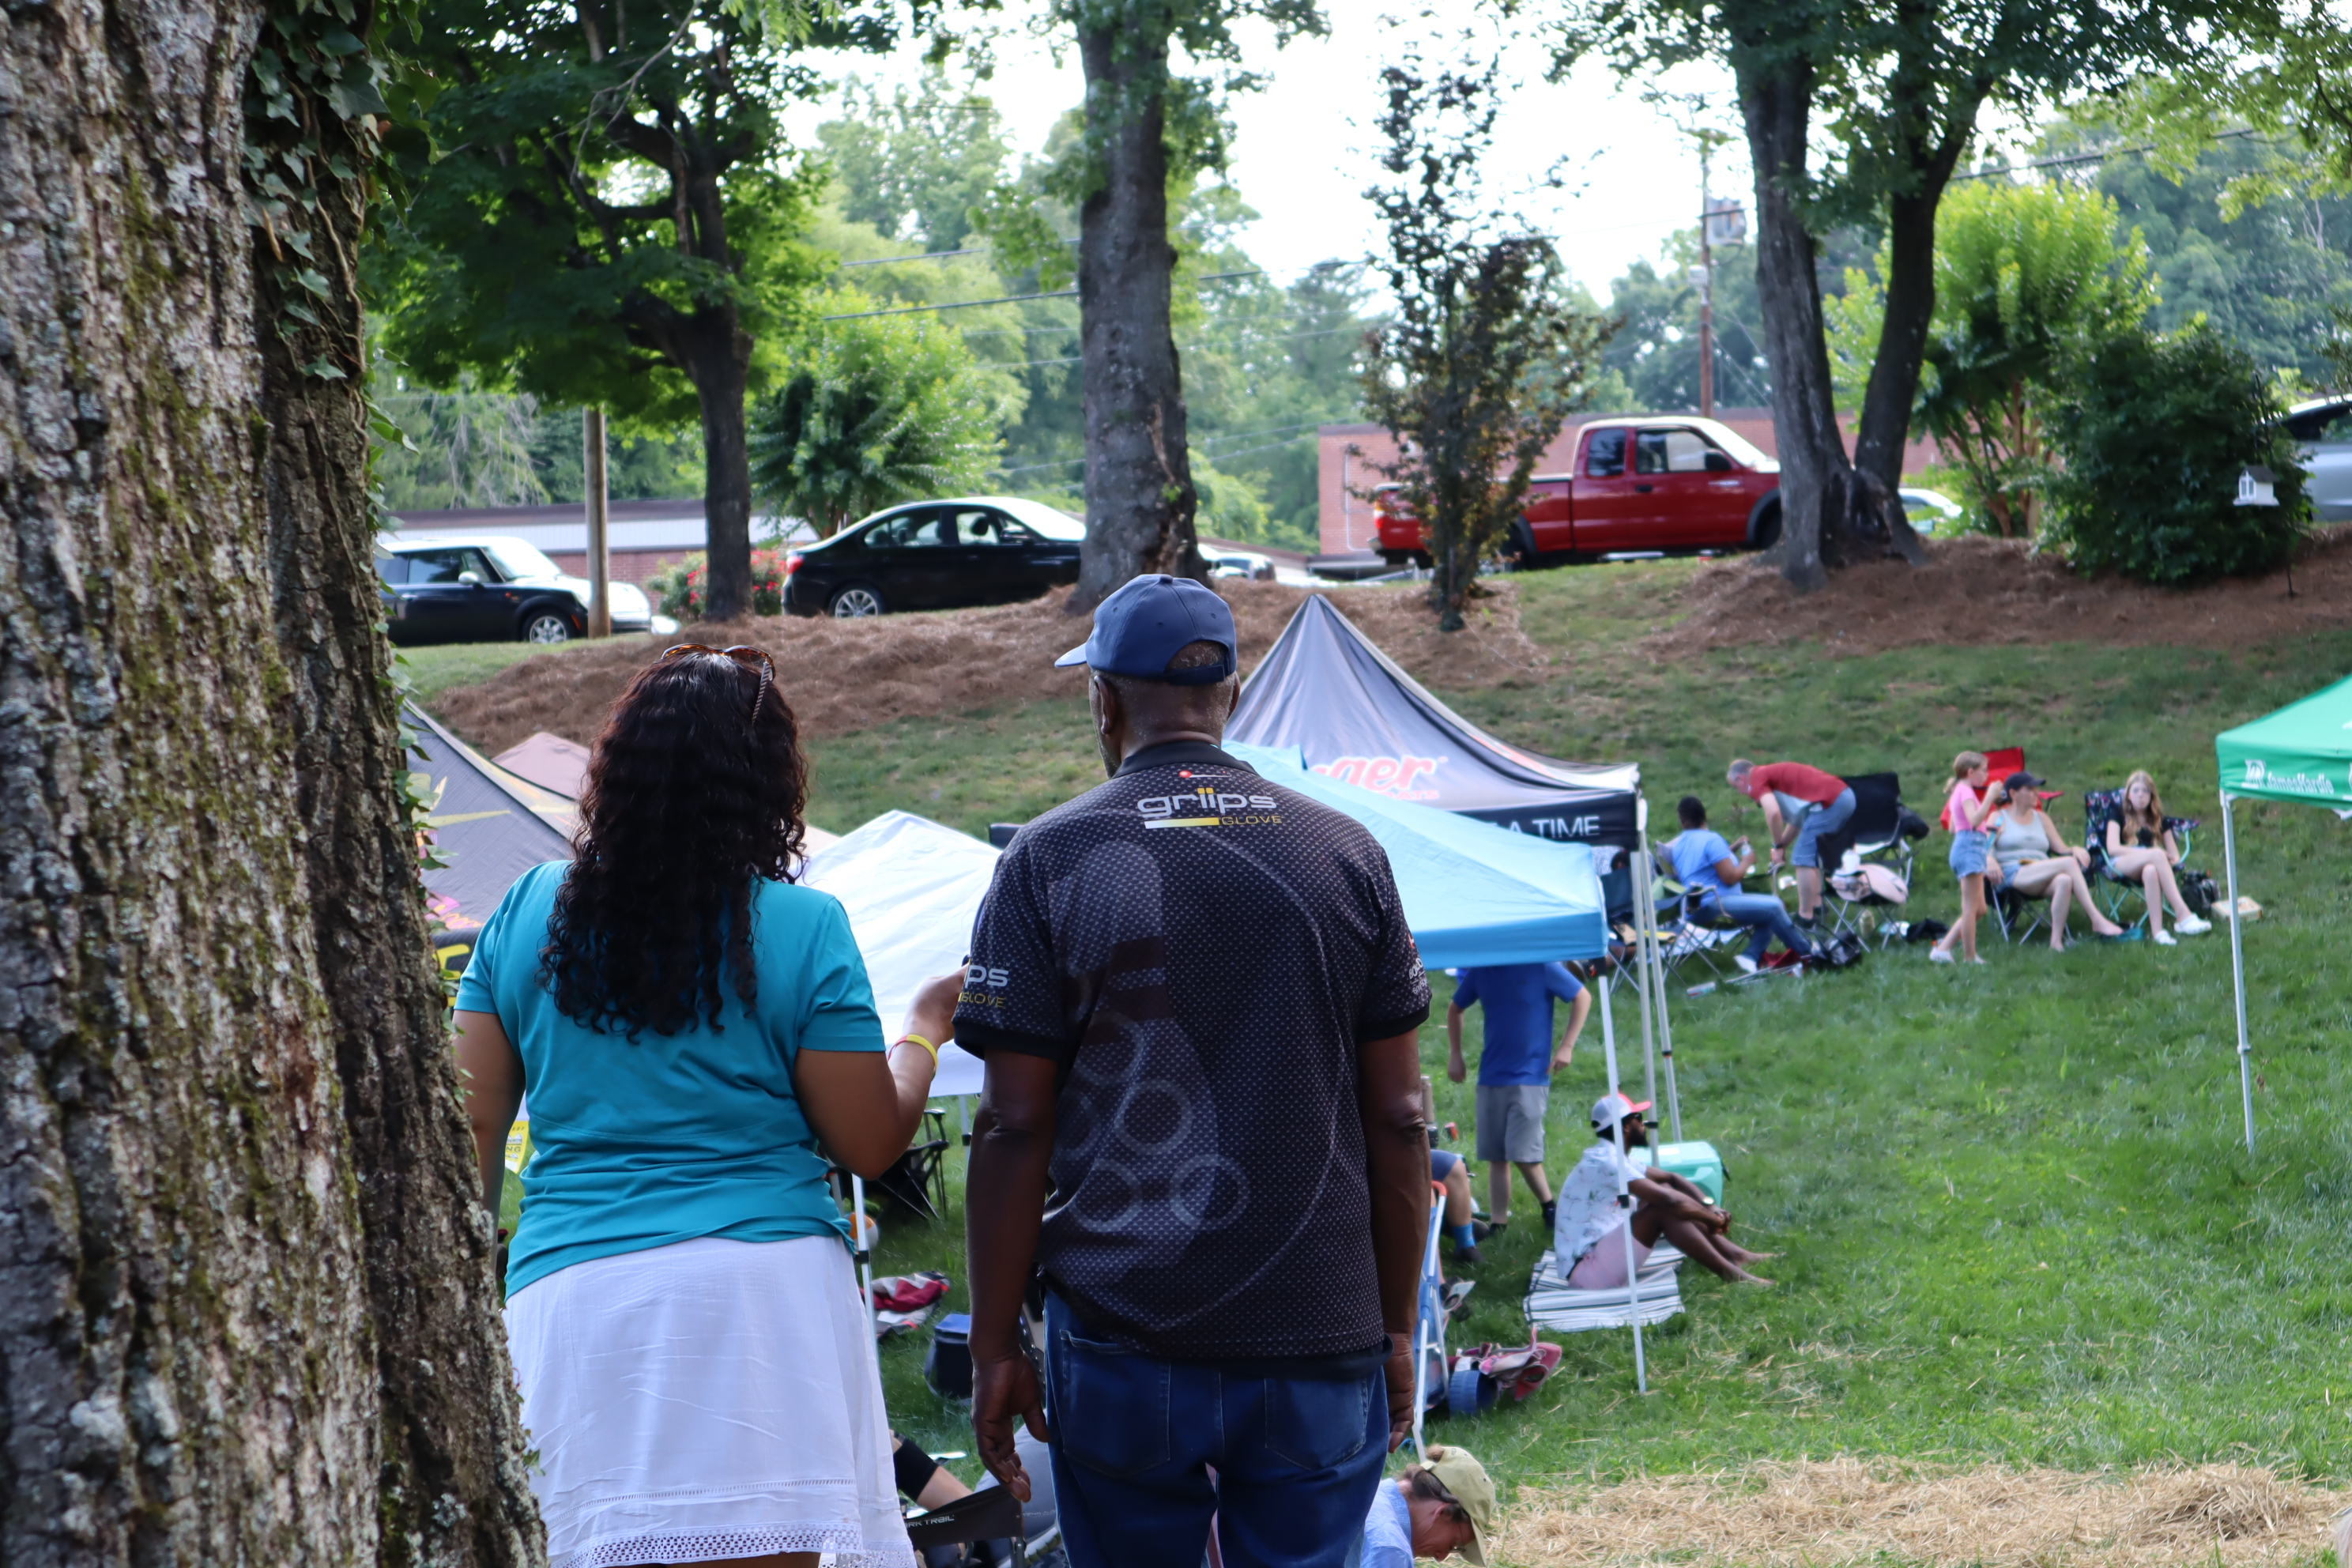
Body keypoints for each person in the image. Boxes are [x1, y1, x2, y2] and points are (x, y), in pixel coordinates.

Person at [956, 575, 1434, 1568]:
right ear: (1236, 694)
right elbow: (1401, 1117)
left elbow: (1010, 1125)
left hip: (1127, 1339)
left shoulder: (1045, 860)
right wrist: (1396, 1327)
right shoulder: (1348, 851)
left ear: (1102, 697)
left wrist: (996, 1345)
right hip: (1320, 1329)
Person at [455, 643, 953, 1568]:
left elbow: (474, 1124)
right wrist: (923, 1030)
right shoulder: (803, 925)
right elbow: (870, 1140)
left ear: (617, 771)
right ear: (768, 785)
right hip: (762, 1308)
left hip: (573, 1304)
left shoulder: (525, 909)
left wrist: (464, 1300)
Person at [1555, 1094, 1774, 1287]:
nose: (1645, 1124)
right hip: (1588, 1273)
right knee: (1663, 1208)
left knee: (1665, 1192)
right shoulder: (1608, 1163)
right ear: (1625, 1127)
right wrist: (1710, 1219)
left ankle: (1736, 1255)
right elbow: (1671, 1202)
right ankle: (1733, 1275)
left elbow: (1672, 1178)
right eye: (1639, 1118)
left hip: (1598, 1258)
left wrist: (1712, 1206)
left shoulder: (1610, 1156)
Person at [1444, 963, 1589, 1235]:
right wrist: (1456, 1055)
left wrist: (1566, 1046)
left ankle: (1550, 1207)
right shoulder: (1482, 971)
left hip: (1530, 1075)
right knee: (1496, 1154)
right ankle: (1499, 1222)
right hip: (1491, 1075)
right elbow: (1455, 1008)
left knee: (1522, 1151)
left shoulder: (1542, 966)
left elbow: (1582, 996)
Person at [1664, 795, 1813, 973]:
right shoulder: (1711, 840)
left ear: (1682, 821)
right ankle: (1808, 954)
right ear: (1704, 816)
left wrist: (1733, 847)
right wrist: (1747, 861)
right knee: (1774, 906)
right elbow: (1730, 877)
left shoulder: (1678, 846)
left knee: (1766, 913)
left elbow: (1704, 864)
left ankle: (1750, 957)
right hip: (1716, 905)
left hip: (1692, 909)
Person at [1984, 771, 2128, 950]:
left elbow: (2061, 849)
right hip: (2013, 873)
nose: (2036, 793)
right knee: (2069, 864)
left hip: (2040, 872)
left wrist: (2073, 849)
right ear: (2013, 794)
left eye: (2036, 788)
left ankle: (2056, 942)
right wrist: (1989, 859)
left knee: (2064, 880)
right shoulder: (1998, 817)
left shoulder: (2041, 818)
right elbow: (1985, 847)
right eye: (2029, 789)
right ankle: (2097, 920)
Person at [1726, 758, 1856, 928]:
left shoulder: (1757, 778)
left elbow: (1773, 814)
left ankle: (1805, 917)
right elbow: (1797, 821)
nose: (1742, 793)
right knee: (1809, 855)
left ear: (1741, 779)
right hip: (1842, 796)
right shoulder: (1770, 775)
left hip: (1831, 801)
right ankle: (1817, 907)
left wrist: (1778, 845)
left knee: (1802, 858)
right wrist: (1781, 846)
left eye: (1737, 787)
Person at [2105, 770, 2213, 946]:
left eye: (2145, 791)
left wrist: (2169, 860)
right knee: (2155, 854)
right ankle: (2183, 915)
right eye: (2136, 790)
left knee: (2151, 871)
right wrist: (2150, 854)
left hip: (2150, 863)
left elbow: (2174, 855)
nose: (2140, 795)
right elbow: (2112, 849)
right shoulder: (2117, 813)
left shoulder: (2160, 820)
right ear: (2128, 794)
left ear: (2152, 796)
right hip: (2122, 861)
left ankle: (2158, 932)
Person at [1352, 1446, 1496, 1568]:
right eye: (1452, 1545)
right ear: (1443, 1512)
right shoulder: (1391, 1552)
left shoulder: (1370, 1492)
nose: (1441, 1557)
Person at [1930, 752, 1998, 966]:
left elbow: (1954, 826)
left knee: (1980, 909)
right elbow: (1973, 818)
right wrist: (1990, 797)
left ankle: (1943, 949)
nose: (1986, 775)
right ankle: (1970, 957)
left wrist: (1985, 826)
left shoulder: (1959, 791)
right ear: (1971, 772)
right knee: (1970, 909)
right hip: (1969, 850)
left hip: (1968, 847)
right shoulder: (1967, 792)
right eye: (1984, 770)